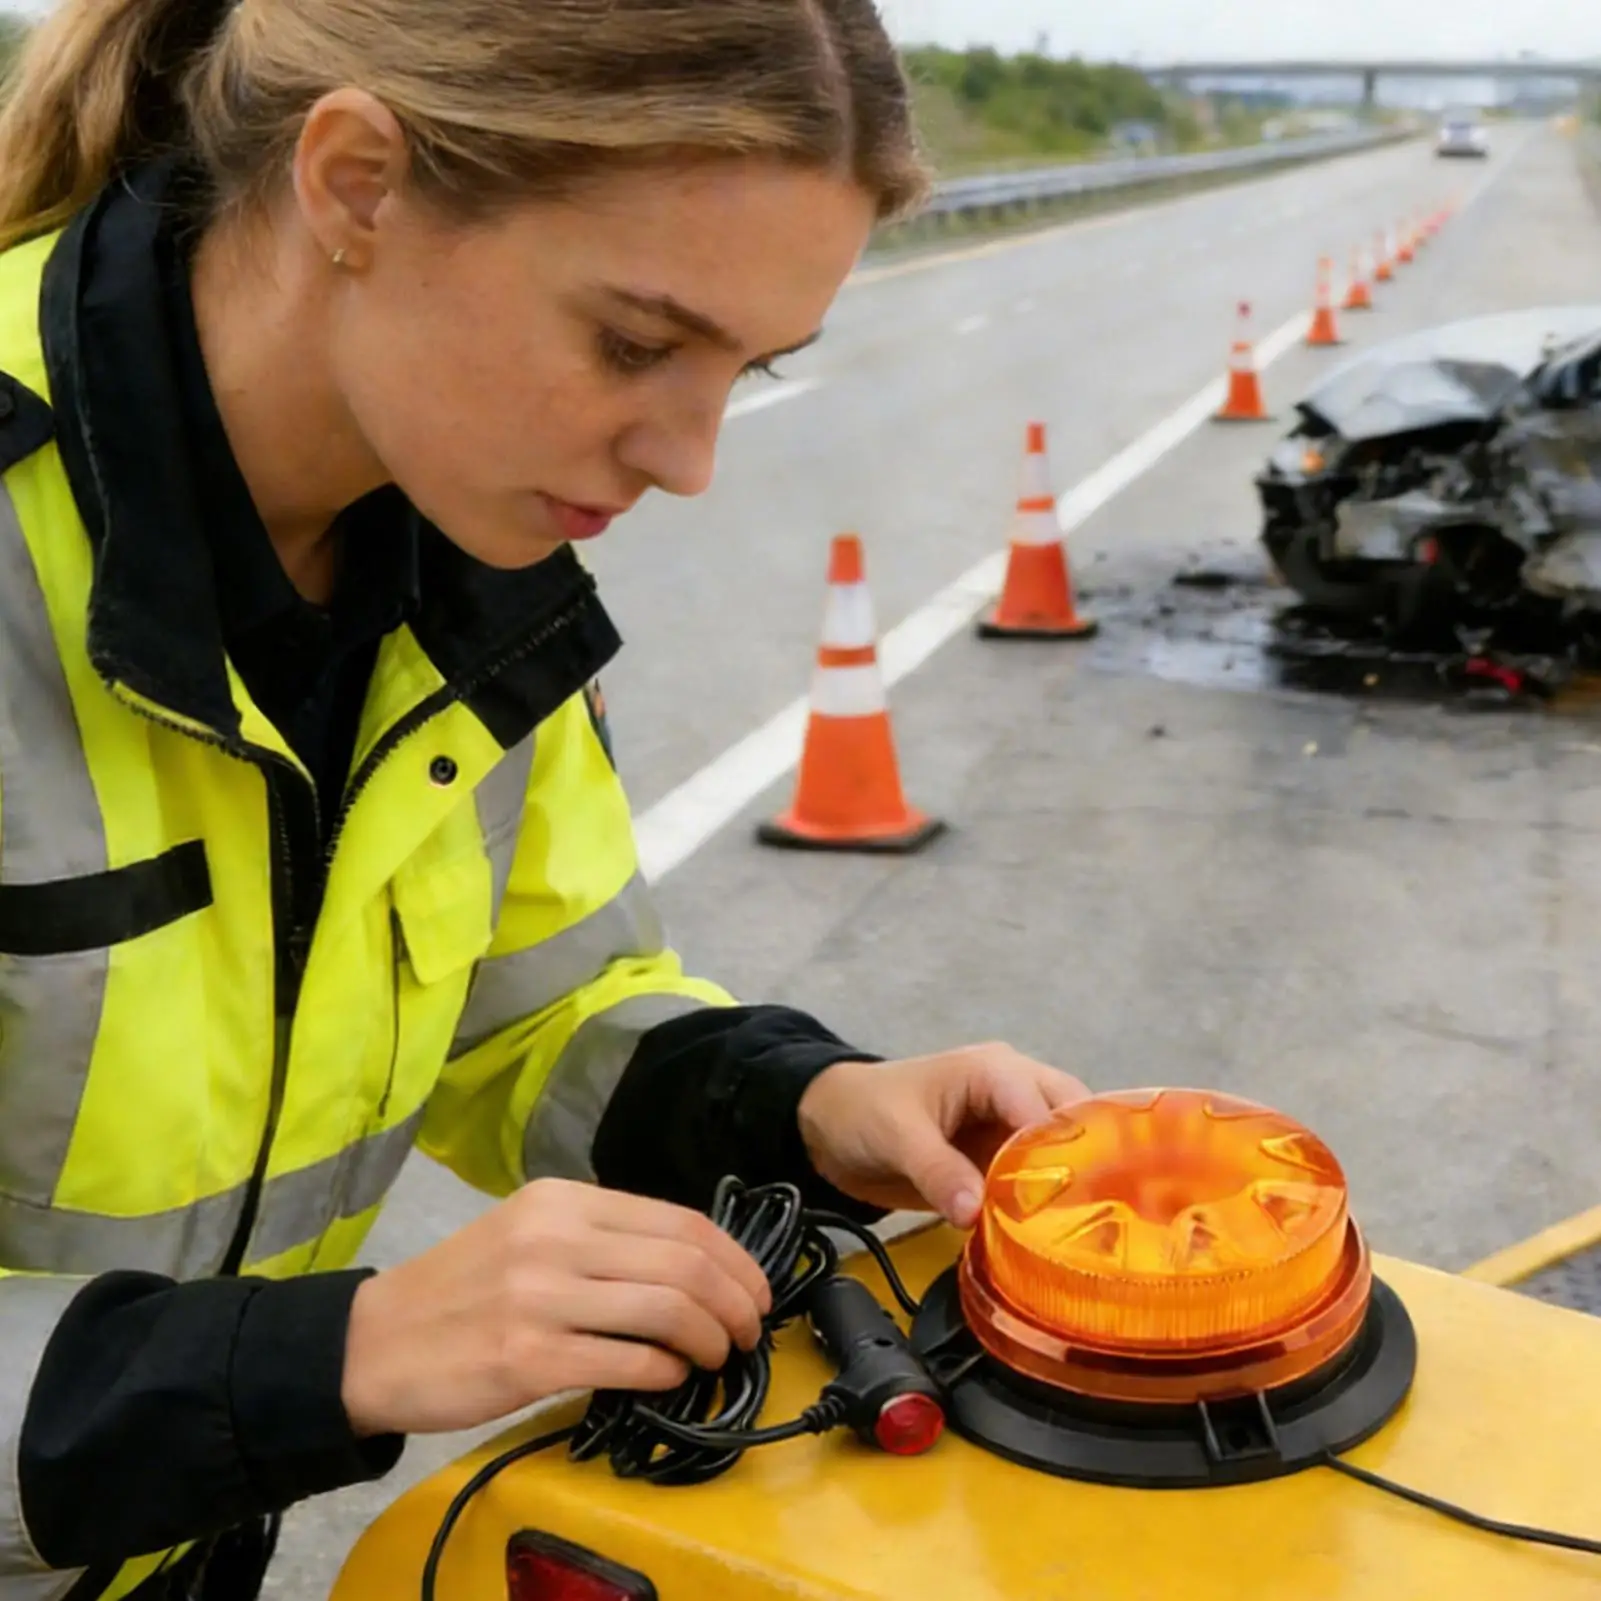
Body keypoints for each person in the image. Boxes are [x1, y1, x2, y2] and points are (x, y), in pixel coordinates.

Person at [0, 0, 1089, 1596]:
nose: (690, 459)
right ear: (357, 184)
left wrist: (800, 1108)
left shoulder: (456, 550)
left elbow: (535, 1009)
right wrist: (335, 1353)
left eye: (747, 366)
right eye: (635, 345)